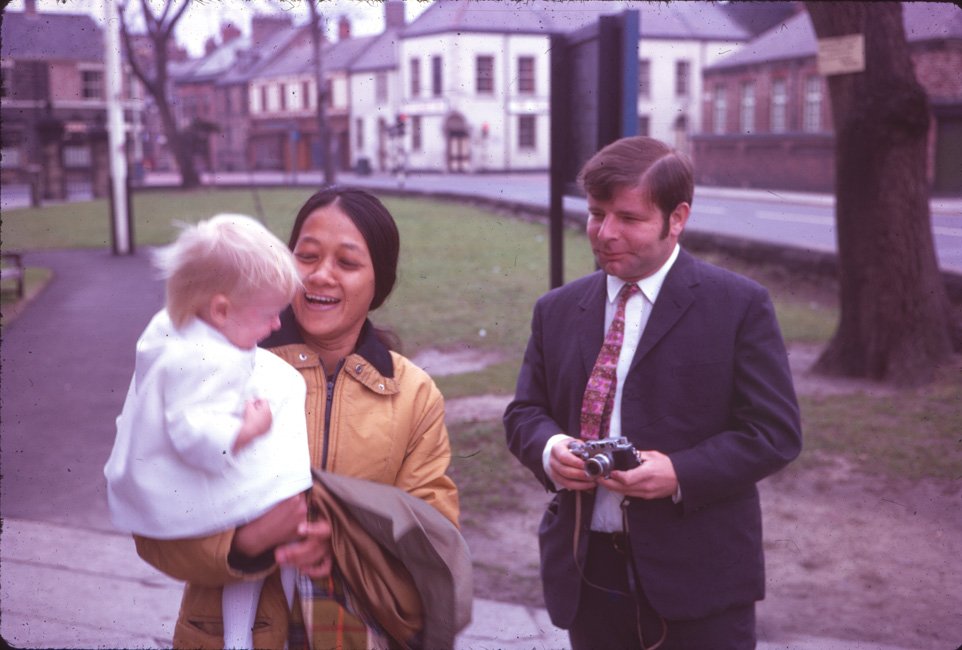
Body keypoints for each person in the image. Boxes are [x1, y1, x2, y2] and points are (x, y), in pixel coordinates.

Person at [504, 136, 802, 649]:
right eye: (597, 214)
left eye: (629, 217)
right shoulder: (556, 309)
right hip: (588, 572)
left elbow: (773, 432)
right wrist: (552, 452)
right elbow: (525, 413)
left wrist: (679, 473)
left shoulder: (738, 305)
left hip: (699, 579)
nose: (606, 233)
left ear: (677, 218)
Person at [132, 187, 460, 649]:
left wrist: (344, 546)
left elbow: (434, 537)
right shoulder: (214, 369)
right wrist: (246, 543)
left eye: (346, 263)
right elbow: (153, 523)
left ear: (379, 282)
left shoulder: (413, 394)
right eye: (306, 256)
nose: (320, 276)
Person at [104, 214, 311, 649]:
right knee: (278, 497)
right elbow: (196, 435)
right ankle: (240, 638)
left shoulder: (179, 332)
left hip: (172, 487)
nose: (276, 326)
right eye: (269, 315)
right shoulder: (207, 359)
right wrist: (248, 428)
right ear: (220, 310)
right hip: (193, 491)